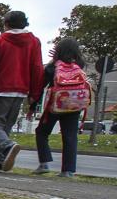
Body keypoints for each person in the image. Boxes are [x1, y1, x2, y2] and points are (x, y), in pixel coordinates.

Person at [0, 10, 44, 172]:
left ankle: (8, 146)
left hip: (2, 89)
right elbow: (37, 68)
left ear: (6, 24)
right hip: (21, 90)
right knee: (5, 127)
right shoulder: (34, 42)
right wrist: (35, 94)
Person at [34, 38, 89, 177]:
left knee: (42, 132)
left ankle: (44, 163)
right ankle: (68, 170)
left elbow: (41, 85)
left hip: (56, 105)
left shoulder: (53, 67)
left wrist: (33, 105)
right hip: (74, 105)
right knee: (70, 136)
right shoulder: (80, 65)